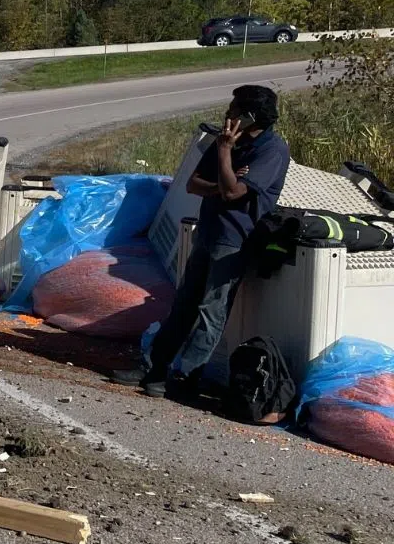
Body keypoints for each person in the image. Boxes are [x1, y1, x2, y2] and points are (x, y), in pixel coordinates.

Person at [112, 85, 291, 398]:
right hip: (208, 230)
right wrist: (226, 180)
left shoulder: (271, 150)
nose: (227, 114)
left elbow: (236, 194)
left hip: (235, 239)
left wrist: (224, 156)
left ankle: (185, 379)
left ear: (249, 117)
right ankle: (153, 368)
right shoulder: (226, 139)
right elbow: (195, 184)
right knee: (183, 304)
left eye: (234, 110)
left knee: (211, 311)